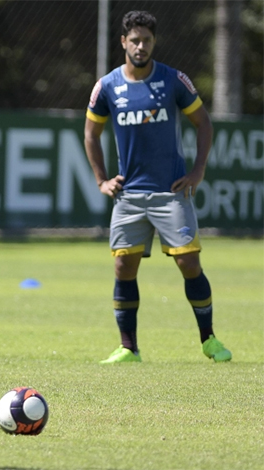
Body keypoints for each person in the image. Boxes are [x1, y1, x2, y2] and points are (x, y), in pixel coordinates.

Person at [84, 11, 232, 364]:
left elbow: (204, 123)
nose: (140, 46)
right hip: (129, 196)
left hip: (171, 193)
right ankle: (128, 348)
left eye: (146, 40)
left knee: (189, 263)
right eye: (134, 40)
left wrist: (198, 170)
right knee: (124, 268)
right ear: (123, 42)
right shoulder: (107, 86)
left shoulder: (172, 80)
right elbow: (91, 132)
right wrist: (101, 179)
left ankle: (209, 340)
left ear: (154, 42)